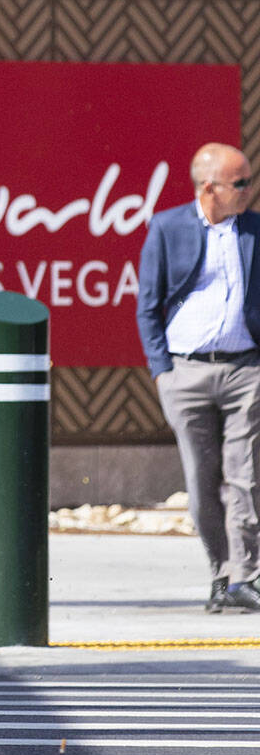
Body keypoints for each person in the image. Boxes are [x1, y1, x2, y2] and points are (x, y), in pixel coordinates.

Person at [137, 142, 260, 613]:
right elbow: (148, 305)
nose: (248, 190)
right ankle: (221, 572)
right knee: (202, 482)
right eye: (240, 183)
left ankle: (246, 576)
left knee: (244, 475)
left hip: (245, 369)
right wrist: (162, 372)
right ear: (210, 188)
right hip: (185, 373)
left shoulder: (253, 230)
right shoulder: (168, 228)